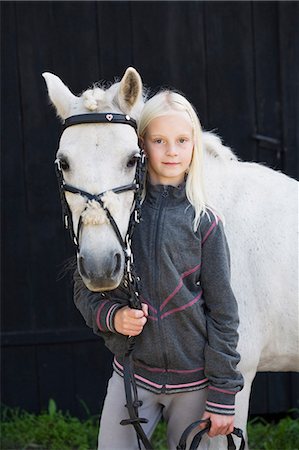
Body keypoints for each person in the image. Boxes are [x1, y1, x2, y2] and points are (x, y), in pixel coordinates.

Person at [73, 90, 244, 450]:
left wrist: (224, 394)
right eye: (159, 140)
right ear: (141, 144)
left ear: (194, 145)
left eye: (182, 140)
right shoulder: (119, 216)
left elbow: (224, 313)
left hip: (194, 385)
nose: (172, 151)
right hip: (132, 378)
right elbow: (84, 289)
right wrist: (112, 317)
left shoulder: (205, 222)